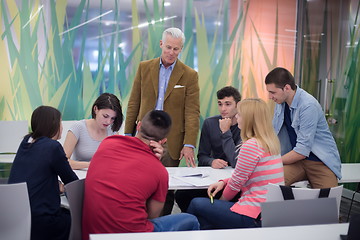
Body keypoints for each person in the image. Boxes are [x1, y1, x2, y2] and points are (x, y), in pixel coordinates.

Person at [82, 110, 199, 239]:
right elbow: (152, 216)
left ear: (138, 126)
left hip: (92, 234)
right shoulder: (159, 172)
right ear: (163, 141)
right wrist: (155, 162)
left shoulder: (108, 142)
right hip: (132, 236)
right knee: (191, 220)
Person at [125, 27, 200, 215]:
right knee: (139, 181)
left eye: (176, 49)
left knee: (165, 186)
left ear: (181, 49)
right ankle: (139, 222)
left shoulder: (189, 75)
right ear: (161, 44)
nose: (171, 53)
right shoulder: (144, 67)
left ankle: (163, 226)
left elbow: (192, 112)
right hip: (143, 135)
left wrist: (189, 143)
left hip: (171, 139)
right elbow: (134, 101)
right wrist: (127, 135)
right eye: (168, 47)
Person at [187, 98, 284, 229]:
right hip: (268, 213)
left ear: (248, 118)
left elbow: (236, 184)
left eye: (239, 114)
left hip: (254, 215)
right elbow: (243, 175)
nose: (236, 117)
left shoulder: (251, 145)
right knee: (207, 221)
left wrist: (218, 202)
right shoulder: (270, 143)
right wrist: (223, 182)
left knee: (196, 204)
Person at [8, 106, 78, 240]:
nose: (62, 127)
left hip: (16, 219)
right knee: (74, 219)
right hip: (41, 222)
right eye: (61, 122)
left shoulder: (25, 142)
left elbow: (34, 174)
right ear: (53, 124)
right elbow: (72, 182)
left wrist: (56, 185)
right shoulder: (53, 147)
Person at [265, 67, 341, 188]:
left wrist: (273, 161)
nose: (270, 96)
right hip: (296, 161)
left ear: (287, 88)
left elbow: (302, 151)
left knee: (328, 203)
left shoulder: (308, 105)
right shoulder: (280, 102)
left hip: (320, 162)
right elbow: (274, 132)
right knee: (267, 184)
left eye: (272, 92)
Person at [175, 86, 241, 212]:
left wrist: (225, 131)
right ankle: (196, 222)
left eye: (228, 104)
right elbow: (202, 156)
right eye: (220, 104)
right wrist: (212, 162)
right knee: (181, 195)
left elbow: (236, 161)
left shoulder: (244, 126)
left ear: (238, 105)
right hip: (213, 177)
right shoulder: (210, 123)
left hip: (234, 181)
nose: (223, 109)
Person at [63, 93, 123, 169]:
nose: (108, 122)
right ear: (95, 109)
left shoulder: (113, 132)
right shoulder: (78, 127)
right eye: (105, 116)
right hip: (81, 177)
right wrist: (91, 165)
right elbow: (62, 161)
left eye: (112, 118)